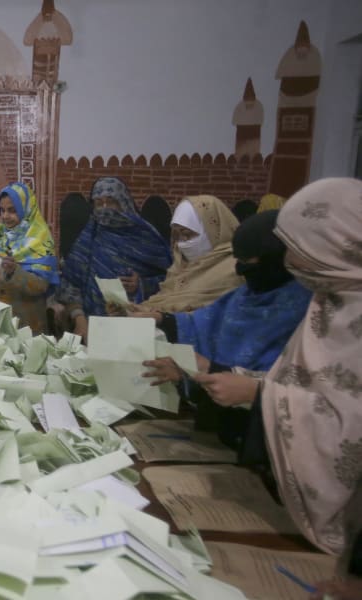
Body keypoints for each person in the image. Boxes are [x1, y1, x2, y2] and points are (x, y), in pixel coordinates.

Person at [194, 178, 362, 589]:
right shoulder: (332, 298)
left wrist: (257, 395)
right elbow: (300, 379)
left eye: (297, 248)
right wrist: (246, 384)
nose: (289, 261)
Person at [136, 210, 312, 446]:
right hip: (219, 429)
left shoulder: (309, 311)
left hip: (270, 442)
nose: (240, 270)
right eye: (238, 261)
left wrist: (211, 369)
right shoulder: (245, 295)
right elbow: (203, 322)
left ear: (278, 258)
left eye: (249, 263)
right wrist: (162, 319)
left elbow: (298, 390)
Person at [52, 177, 171, 338]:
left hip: (137, 329)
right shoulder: (89, 237)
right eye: (99, 203)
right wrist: (80, 320)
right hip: (92, 328)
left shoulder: (146, 237)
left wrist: (142, 285)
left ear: (123, 202)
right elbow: (71, 283)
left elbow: (172, 282)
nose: (105, 208)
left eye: (111, 202)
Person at [0, 182, 59, 333]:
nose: (5, 216)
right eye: (3, 210)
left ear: (26, 209)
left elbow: (41, 286)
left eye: (12, 210)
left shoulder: (41, 241)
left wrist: (14, 272)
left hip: (24, 326)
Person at [136, 195, 243, 313]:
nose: (182, 243)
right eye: (177, 236)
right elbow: (165, 300)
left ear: (213, 231)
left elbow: (214, 315)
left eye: (187, 234)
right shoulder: (180, 266)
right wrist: (135, 310)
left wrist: (161, 318)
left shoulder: (236, 268)